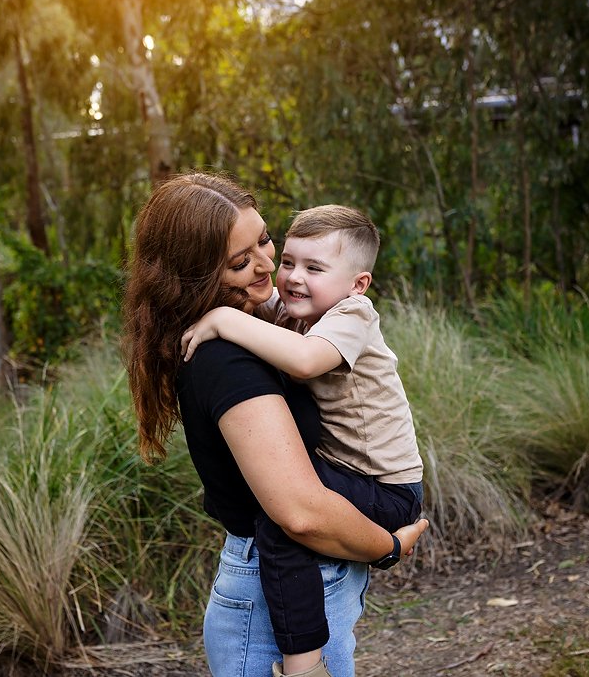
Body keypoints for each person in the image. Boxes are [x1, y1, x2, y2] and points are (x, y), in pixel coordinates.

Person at [123, 173, 428, 677]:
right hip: (273, 599)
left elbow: (298, 346)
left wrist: (230, 313)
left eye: (265, 240)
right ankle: (302, 665)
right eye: (242, 261)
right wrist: (389, 547)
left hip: (326, 554)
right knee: (278, 519)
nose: (271, 268)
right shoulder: (223, 355)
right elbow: (298, 512)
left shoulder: (286, 319)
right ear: (197, 276)